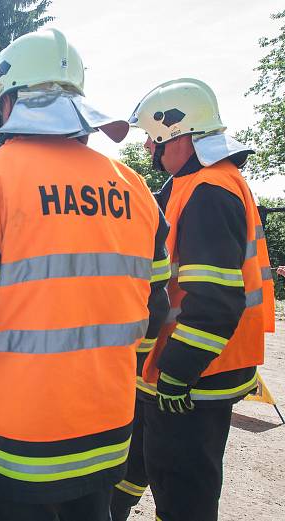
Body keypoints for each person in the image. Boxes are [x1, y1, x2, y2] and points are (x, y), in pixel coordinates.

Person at [0, 28, 171, 520]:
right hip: (108, 434)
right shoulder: (136, 190)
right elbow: (152, 318)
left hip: (17, 446)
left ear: (7, 103)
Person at [111, 79, 275, 521]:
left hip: (195, 370)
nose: (148, 147)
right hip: (177, 362)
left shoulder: (209, 192)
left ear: (179, 135)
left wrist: (179, 372)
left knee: (183, 484)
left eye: (153, 137)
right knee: (140, 456)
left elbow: (217, 298)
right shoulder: (196, 183)